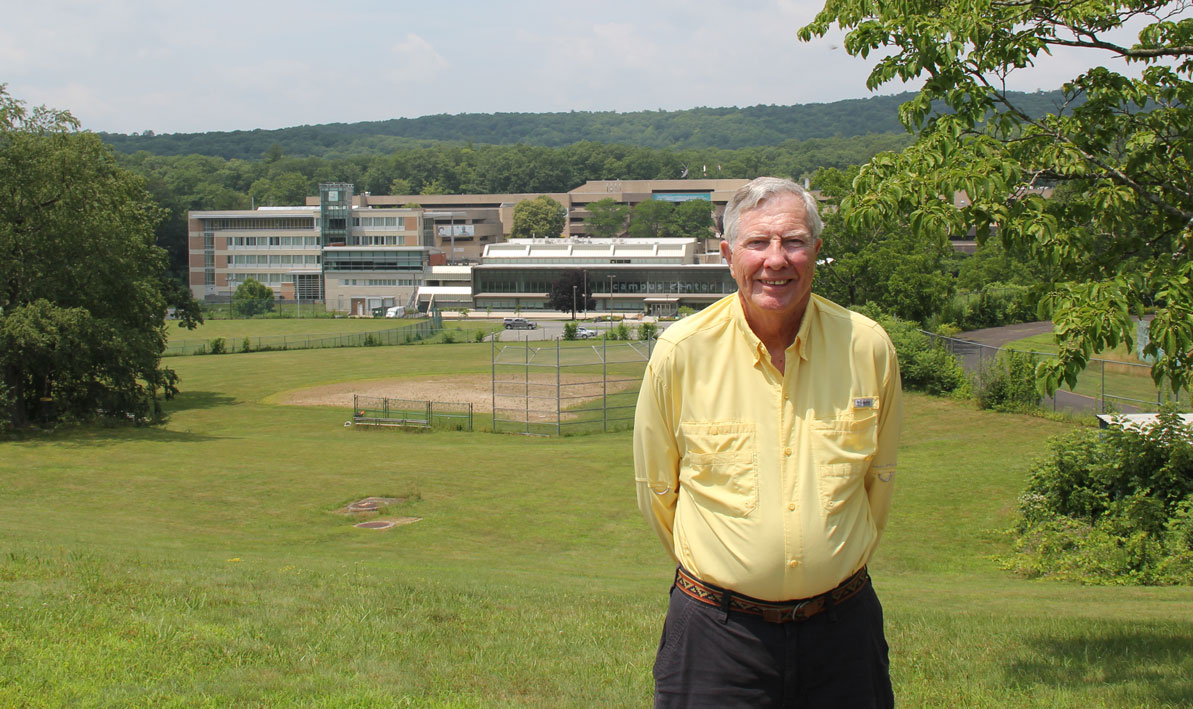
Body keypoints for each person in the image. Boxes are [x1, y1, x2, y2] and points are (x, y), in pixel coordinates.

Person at [633, 176, 902, 707]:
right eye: (758, 243)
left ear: (817, 251)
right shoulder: (681, 352)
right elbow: (658, 489)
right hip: (716, 635)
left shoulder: (867, 348)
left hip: (843, 632)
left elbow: (880, 480)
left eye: (794, 241)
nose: (776, 260)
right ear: (729, 255)